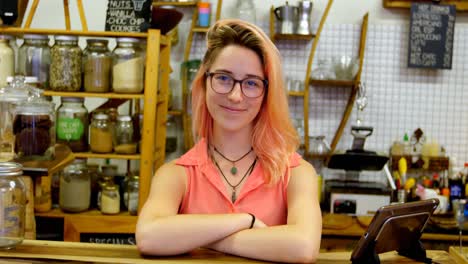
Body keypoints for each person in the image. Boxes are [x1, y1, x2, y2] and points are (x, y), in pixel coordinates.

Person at [136, 19, 322, 263]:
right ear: (204, 82)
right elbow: (149, 237)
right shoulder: (175, 174)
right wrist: (247, 220)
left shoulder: (296, 174)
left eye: (252, 83)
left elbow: (303, 247)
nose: (235, 96)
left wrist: (197, 236)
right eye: (223, 78)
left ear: (267, 94)